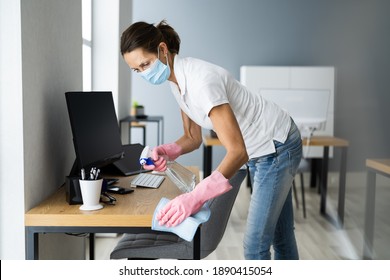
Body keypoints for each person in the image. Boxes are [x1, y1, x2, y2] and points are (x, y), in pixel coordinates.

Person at [120, 20, 302, 260]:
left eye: (145, 64)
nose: (144, 73)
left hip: (276, 145)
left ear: (162, 50)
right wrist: (168, 150)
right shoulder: (176, 82)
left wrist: (195, 197)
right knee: (281, 237)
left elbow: (237, 152)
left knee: (255, 245)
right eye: (136, 70)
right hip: (260, 149)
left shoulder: (201, 81)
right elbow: (193, 137)